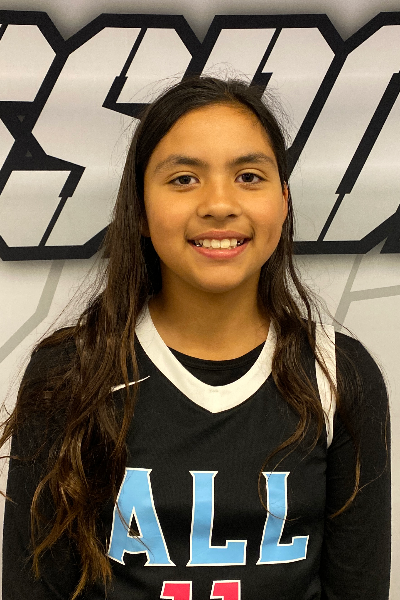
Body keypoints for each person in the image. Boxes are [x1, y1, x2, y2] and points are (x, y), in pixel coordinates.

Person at [1, 76, 390, 600]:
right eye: (184, 179)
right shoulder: (72, 370)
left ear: (283, 201)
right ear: (140, 208)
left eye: (249, 176)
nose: (219, 204)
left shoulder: (337, 374)